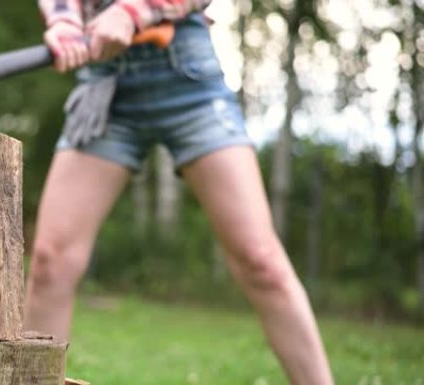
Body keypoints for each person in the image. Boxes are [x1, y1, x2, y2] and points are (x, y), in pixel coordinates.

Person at [25, 1, 334, 384]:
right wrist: (64, 20)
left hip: (186, 75)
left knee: (261, 260)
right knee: (50, 262)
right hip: (104, 84)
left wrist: (132, 10)